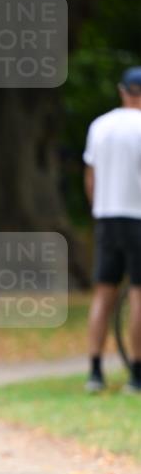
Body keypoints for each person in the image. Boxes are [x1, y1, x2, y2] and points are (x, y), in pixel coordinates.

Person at [83, 66, 141, 395]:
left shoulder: (99, 126)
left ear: (123, 91)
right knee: (137, 295)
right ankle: (136, 373)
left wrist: (98, 208)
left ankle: (94, 370)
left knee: (102, 294)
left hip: (106, 215)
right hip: (137, 217)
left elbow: (90, 177)